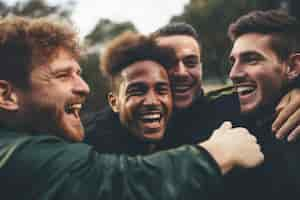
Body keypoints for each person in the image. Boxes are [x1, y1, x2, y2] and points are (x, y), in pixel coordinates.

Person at [0, 16, 263, 200]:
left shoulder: (212, 112)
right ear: (6, 95)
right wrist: (216, 154)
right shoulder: (27, 154)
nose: (84, 87)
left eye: (162, 89)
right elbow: (115, 183)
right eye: (62, 75)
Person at [151, 22, 300, 145]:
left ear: (200, 67)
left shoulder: (236, 108)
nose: (182, 72)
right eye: (168, 62)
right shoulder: (133, 127)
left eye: (190, 62)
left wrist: (294, 87)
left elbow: (271, 89)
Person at [222, 9, 300, 200]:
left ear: (292, 67)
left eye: (251, 59)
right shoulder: (222, 113)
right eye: (233, 61)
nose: (233, 74)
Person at [84, 31, 174, 155]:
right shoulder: (91, 149)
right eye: (137, 91)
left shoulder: (179, 128)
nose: (152, 101)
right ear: (114, 102)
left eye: (161, 90)